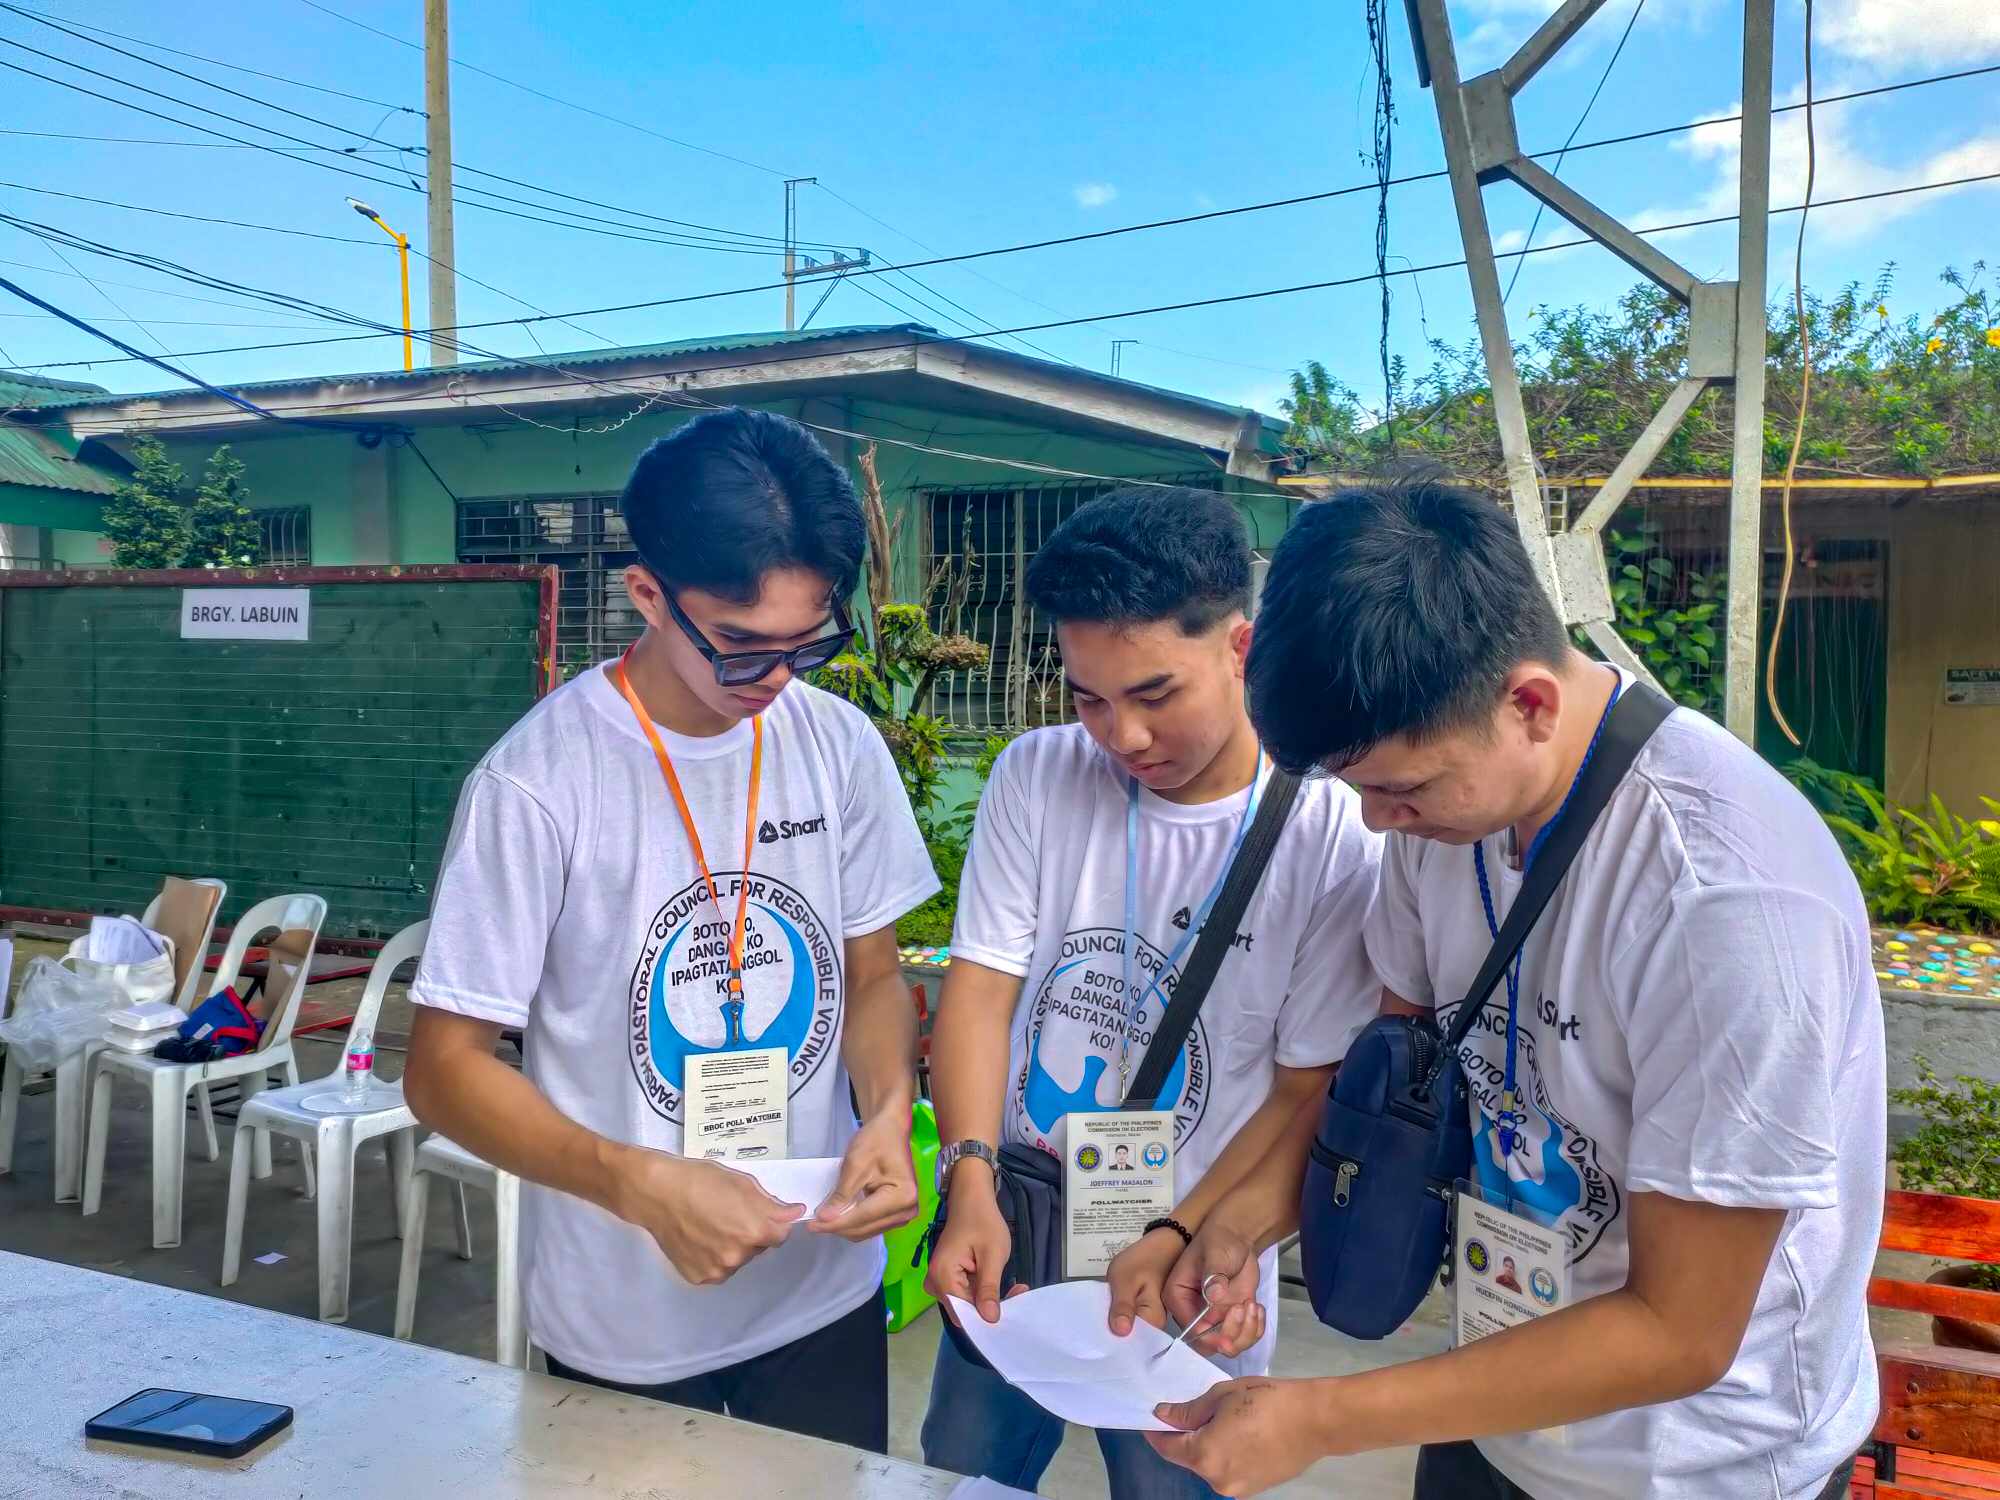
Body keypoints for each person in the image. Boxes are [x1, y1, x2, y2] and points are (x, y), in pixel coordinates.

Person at [1146, 478, 1884, 1500]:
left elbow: (1682, 1331)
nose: (1375, 826)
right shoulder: (1442, 821)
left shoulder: (1723, 900)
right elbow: (1376, 1093)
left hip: (1693, 1466)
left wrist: (1322, 1416)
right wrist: (1223, 1230)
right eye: (1358, 792)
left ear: (1527, 702)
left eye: (1396, 789)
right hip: (1491, 1408)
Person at [402, 407, 939, 1453]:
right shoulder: (540, 782)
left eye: (808, 644)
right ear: (646, 594)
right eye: (739, 648)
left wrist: (886, 1111)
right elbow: (442, 1070)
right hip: (626, 1320)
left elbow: (871, 976)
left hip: (819, 1291)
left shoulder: (837, 745)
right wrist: (634, 1183)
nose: (775, 681)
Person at [920, 486, 1383, 1500]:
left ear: (1238, 646)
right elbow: (979, 996)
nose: (1120, 737)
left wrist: (1208, 1245)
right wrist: (965, 1181)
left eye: (1154, 693)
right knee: (960, 1475)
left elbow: (1303, 1095)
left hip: (1183, 1274)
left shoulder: (1329, 836)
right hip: (1017, 1238)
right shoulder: (1036, 776)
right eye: (1088, 698)